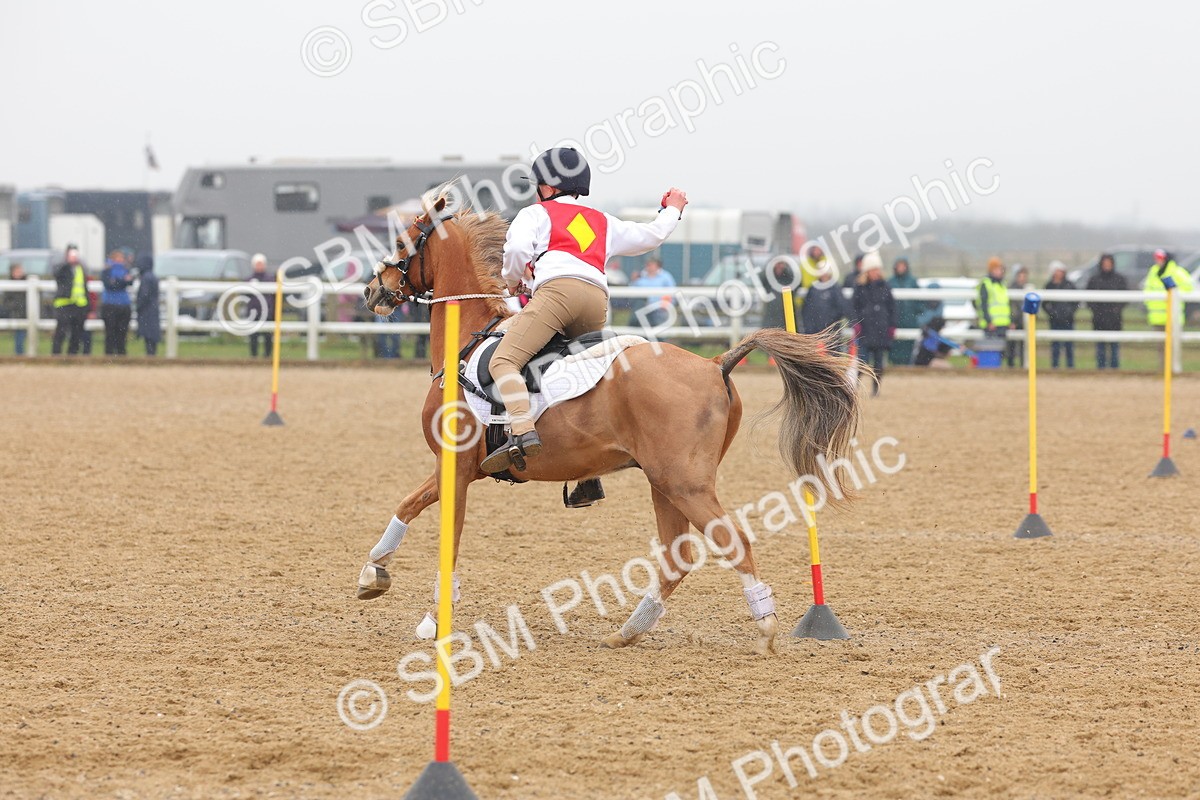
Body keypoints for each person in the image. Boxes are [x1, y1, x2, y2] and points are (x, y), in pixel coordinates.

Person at [481, 146, 686, 475]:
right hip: (595, 302)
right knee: (582, 377)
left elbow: (517, 249)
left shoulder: (535, 214)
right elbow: (652, 235)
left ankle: (520, 432)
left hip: (557, 295)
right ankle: (587, 474)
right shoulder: (602, 221)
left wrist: (512, 279)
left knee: (504, 360)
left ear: (547, 187)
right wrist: (672, 209)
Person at [851, 251, 896, 396]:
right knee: (862, 361)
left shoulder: (886, 287)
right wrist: (856, 323)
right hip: (865, 330)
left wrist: (892, 326)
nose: (876, 272)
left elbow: (892, 307)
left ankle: (876, 390)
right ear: (867, 271)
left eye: (878, 269)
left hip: (881, 329)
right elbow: (854, 307)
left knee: (878, 363)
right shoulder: (859, 287)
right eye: (873, 269)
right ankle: (855, 388)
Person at [1145, 249, 1194, 369]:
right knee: (1160, 347)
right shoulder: (1153, 271)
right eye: (1157, 257)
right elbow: (1147, 291)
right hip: (1157, 317)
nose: (1158, 260)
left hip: (1173, 317)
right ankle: (1163, 370)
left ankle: (1174, 370)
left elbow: (1189, 288)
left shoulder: (1177, 272)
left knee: (1173, 347)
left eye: (1160, 258)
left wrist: (1174, 294)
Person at [1086, 253, 1127, 369]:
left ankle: (1115, 369)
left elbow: (1125, 298)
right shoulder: (1094, 280)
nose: (1107, 265)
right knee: (1100, 348)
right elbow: (1089, 299)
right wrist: (1097, 312)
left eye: (1109, 263)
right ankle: (1100, 369)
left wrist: (1115, 310)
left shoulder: (1119, 279)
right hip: (1099, 320)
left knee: (1114, 348)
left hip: (1115, 320)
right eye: (1105, 263)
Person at [800, 258, 852, 349]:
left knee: (833, 356)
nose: (823, 274)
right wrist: (809, 327)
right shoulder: (813, 289)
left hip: (832, 331)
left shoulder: (835, 288)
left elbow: (842, 308)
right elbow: (806, 311)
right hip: (814, 331)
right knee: (814, 358)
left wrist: (832, 322)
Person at [52, 245, 89, 355]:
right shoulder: (62, 267)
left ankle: (72, 355)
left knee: (77, 333)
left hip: (79, 305)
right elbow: (56, 274)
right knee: (61, 332)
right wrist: (66, 263)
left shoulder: (80, 268)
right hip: (64, 304)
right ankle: (56, 355)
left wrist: (88, 306)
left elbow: (84, 286)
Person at [1042, 262, 1078, 369]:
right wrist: (1052, 314)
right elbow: (1044, 303)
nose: (1059, 273)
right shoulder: (1049, 286)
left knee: (1069, 346)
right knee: (1055, 346)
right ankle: (1055, 366)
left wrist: (1069, 312)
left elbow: (1076, 302)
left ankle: (1070, 367)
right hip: (1055, 321)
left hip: (1068, 320)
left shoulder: (1070, 285)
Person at [100, 250, 135, 356]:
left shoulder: (125, 269)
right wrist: (123, 281)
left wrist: (118, 281)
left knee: (122, 332)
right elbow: (109, 285)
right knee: (110, 331)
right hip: (110, 304)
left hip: (124, 305)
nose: (121, 260)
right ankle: (109, 354)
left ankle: (121, 353)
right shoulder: (107, 270)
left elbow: (130, 282)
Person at [887, 256, 919, 364]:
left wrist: (916, 317)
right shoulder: (890, 282)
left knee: (908, 347)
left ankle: (907, 366)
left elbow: (919, 303)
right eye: (899, 265)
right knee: (895, 347)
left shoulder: (912, 282)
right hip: (895, 320)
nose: (901, 268)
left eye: (903, 265)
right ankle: (895, 365)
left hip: (909, 321)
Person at [630, 257, 676, 329]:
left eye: (651, 265)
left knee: (655, 322)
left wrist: (665, 304)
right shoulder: (641, 276)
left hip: (659, 308)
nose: (648, 267)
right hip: (643, 306)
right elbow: (631, 291)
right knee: (638, 313)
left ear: (657, 266)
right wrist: (633, 280)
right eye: (647, 265)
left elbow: (672, 293)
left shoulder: (666, 277)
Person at [976, 256, 1010, 343]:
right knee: (992, 350)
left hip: (1002, 324)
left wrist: (1010, 320)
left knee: (1001, 352)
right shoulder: (986, 283)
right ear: (992, 270)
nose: (1000, 271)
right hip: (991, 326)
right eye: (998, 269)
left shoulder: (1002, 284)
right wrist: (989, 321)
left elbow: (1005, 304)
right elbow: (983, 304)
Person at [247, 254, 275, 358]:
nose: (259, 266)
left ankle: (267, 356)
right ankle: (253, 356)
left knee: (268, 336)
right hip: (254, 312)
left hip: (267, 312)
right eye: (257, 264)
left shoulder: (270, 279)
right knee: (253, 336)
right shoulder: (249, 279)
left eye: (261, 264)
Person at [758, 256, 797, 330]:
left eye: (781, 264)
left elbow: (797, 281)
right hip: (770, 317)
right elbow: (760, 278)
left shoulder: (788, 279)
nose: (779, 266)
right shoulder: (768, 280)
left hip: (785, 318)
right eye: (776, 264)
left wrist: (787, 269)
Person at [134, 254, 161, 356]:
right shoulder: (152, 276)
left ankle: (150, 355)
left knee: (148, 334)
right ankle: (152, 353)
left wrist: (138, 305)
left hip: (147, 310)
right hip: (153, 308)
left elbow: (144, 295)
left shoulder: (146, 277)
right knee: (152, 333)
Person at [1005, 264, 1029, 367]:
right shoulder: (1011, 288)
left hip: (1023, 321)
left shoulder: (1027, 288)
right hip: (1014, 321)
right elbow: (1010, 307)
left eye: (1024, 276)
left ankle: (1023, 365)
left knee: (1024, 345)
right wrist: (1012, 321)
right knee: (1011, 345)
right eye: (1020, 276)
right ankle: (1011, 366)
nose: (1022, 279)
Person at [4, 263, 28, 355]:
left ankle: (25, 354)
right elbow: (7, 301)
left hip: (26, 313)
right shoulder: (9, 284)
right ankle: (20, 354)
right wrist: (16, 306)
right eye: (17, 271)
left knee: (24, 335)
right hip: (17, 314)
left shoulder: (26, 281)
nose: (20, 273)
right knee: (19, 335)